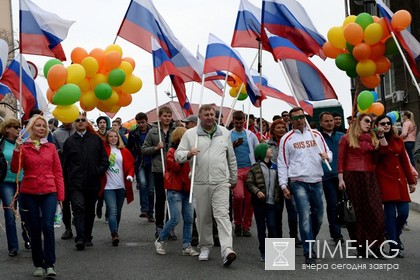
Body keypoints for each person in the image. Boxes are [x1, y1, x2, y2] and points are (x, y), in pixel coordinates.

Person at [175, 104, 237, 266]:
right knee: (203, 217)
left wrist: (233, 178)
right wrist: (188, 153)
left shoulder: (224, 132)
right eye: (206, 114)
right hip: (200, 181)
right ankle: (205, 247)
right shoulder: (190, 134)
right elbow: (178, 155)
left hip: (221, 181)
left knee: (222, 215)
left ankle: (227, 250)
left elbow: (231, 157)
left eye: (212, 114)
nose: (210, 117)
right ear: (200, 117)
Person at [11, 115, 64, 277]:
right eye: (38, 126)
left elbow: (58, 172)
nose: (42, 128)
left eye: (44, 126)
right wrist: (17, 150)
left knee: (47, 227)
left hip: (49, 192)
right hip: (29, 192)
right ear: (31, 128)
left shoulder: (51, 147)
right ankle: (38, 264)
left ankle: (49, 264)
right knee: (34, 229)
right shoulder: (24, 147)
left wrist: (61, 196)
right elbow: (15, 169)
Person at [277, 107, 331, 264]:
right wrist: (283, 185)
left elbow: (327, 153)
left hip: (317, 180)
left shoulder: (316, 135)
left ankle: (309, 239)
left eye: (302, 117)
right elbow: (282, 163)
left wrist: (328, 157)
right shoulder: (287, 139)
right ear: (291, 120)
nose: (299, 120)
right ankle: (309, 253)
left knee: (319, 216)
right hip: (298, 181)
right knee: (305, 216)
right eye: (296, 118)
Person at [337, 113, 385, 258]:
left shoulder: (373, 139)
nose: (369, 124)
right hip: (352, 177)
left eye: (371, 122)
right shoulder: (346, 138)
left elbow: (379, 158)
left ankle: (376, 246)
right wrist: (341, 179)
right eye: (366, 121)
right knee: (357, 214)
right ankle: (361, 246)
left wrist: (381, 137)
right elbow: (340, 160)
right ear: (358, 121)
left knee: (376, 212)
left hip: (370, 177)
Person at [62, 114, 109, 250]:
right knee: (78, 208)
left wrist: (98, 171)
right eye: (78, 120)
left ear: (87, 123)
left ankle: (88, 236)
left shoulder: (95, 140)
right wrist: (67, 181)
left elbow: (104, 160)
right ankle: (80, 238)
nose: (81, 122)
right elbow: (64, 164)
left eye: (83, 120)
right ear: (74, 123)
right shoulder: (69, 142)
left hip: (92, 181)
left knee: (89, 210)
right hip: (76, 183)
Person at [374, 115, 417, 258]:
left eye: (388, 123)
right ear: (377, 125)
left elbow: (405, 160)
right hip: (385, 180)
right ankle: (393, 246)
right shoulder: (375, 140)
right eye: (382, 123)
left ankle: (394, 235)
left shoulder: (398, 139)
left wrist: (411, 180)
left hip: (399, 181)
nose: (386, 125)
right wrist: (381, 137)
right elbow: (383, 153)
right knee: (390, 215)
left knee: (404, 213)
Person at [154, 127, 198, 256]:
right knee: (175, 218)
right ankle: (160, 240)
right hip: (175, 189)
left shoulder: (190, 152)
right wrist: (187, 155)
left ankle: (186, 246)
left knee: (189, 219)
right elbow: (175, 166)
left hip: (188, 189)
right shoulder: (172, 152)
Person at [246, 143, 283, 262]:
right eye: (268, 148)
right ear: (262, 152)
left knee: (272, 226)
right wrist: (257, 192)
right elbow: (249, 183)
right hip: (259, 203)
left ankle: (273, 251)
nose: (270, 149)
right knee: (261, 229)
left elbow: (280, 182)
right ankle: (263, 251)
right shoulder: (255, 168)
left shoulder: (275, 167)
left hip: (272, 202)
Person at [142, 106, 175, 238]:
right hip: (158, 169)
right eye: (165, 116)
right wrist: (156, 148)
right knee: (161, 198)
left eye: (169, 116)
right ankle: (159, 226)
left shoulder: (176, 131)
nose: (167, 118)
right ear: (160, 117)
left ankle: (170, 226)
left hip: (173, 169)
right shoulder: (153, 132)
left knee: (172, 199)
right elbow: (144, 149)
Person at [0, 118, 31, 257]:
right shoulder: (1, 145)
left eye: (19, 127)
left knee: (26, 213)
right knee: (10, 215)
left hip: (24, 181)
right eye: (15, 127)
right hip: (6, 183)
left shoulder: (24, 143)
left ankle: (29, 239)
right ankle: (13, 247)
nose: (19, 129)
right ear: (7, 129)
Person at [99, 129, 135, 246]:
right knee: (112, 210)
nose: (113, 138)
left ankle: (116, 230)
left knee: (118, 211)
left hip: (121, 186)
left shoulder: (124, 151)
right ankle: (114, 234)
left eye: (115, 136)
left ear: (118, 138)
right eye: (111, 136)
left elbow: (131, 166)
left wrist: (130, 175)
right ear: (107, 138)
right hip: (108, 187)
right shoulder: (103, 150)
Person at [267, 119, 300, 245]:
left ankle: (294, 236)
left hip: (290, 179)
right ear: (273, 130)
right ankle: (277, 236)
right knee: (277, 211)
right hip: (275, 181)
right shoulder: (268, 145)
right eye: (278, 127)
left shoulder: (290, 142)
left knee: (292, 210)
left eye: (283, 127)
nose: (281, 129)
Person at [230, 111, 259, 237]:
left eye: (241, 122)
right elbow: (224, 150)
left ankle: (246, 226)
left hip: (249, 169)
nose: (239, 125)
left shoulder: (250, 135)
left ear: (244, 121)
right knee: (238, 196)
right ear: (233, 121)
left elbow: (257, 150)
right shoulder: (228, 134)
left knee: (249, 200)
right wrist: (233, 145)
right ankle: (237, 222)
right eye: (236, 122)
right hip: (235, 169)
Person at [319, 112, 345, 244]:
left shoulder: (342, 136)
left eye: (331, 120)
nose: (330, 123)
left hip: (343, 175)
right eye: (326, 121)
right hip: (327, 176)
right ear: (321, 123)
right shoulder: (317, 138)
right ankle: (336, 233)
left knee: (345, 205)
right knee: (333, 204)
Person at [126, 112, 155, 222]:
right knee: (142, 184)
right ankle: (144, 209)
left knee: (151, 189)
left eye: (142, 122)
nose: (141, 125)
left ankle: (150, 212)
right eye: (139, 123)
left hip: (152, 161)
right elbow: (129, 149)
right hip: (140, 162)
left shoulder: (154, 131)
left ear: (147, 121)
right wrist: (133, 160)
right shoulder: (133, 134)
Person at [52, 122, 75, 240]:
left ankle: (78, 221)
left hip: (78, 171)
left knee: (79, 200)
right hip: (63, 170)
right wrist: (62, 151)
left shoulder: (78, 130)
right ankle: (68, 229)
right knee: (65, 202)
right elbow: (53, 151)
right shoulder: (56, 134)